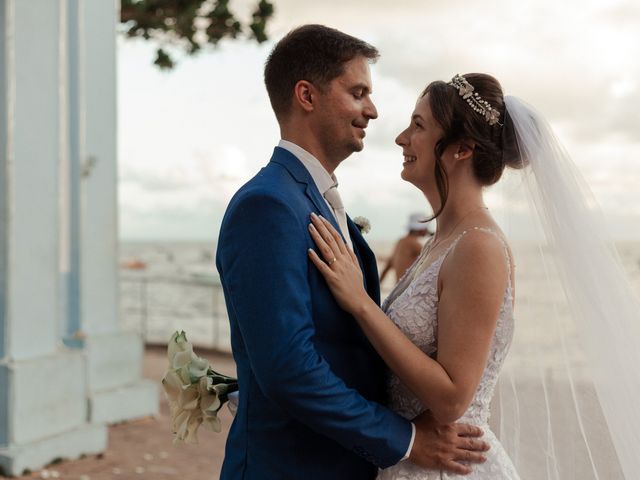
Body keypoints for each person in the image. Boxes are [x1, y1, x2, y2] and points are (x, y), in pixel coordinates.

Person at [215, 27, 489, 479]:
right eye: (358, 92)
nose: (373, 110)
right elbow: (287, 369)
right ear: (307, 95)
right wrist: (406, 439)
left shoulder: (313, 201)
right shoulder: (267, 205)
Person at [307, 73, 523, 478]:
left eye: (418, 126)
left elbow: (453, 400)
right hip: (412, 459)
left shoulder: (478, 246)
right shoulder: (442, 241)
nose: (401, 138)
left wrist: (361, 304)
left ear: (462, 149)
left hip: (451, 465)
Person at [379, 213, 433, 284]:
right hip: (409, 287)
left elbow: (388, 265)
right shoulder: (414, 244)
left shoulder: (400, 242)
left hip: (399, 287)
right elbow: (433, 258)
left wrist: (378, 284)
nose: (427, 230)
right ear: (421, 229)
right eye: (426, 227)